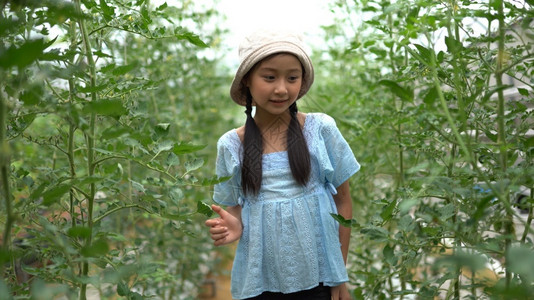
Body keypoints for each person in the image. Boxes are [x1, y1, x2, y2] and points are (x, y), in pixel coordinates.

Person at [205, 29, 360, 300]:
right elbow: (235, 207)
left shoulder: (320, 129)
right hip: (260, 281)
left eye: (292, 78)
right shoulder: (231, 145)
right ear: (246, 83)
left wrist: (339, 276)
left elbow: (343, 203)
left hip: (321, 279)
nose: (281, 88)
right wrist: (235, 224)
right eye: (269, 77)